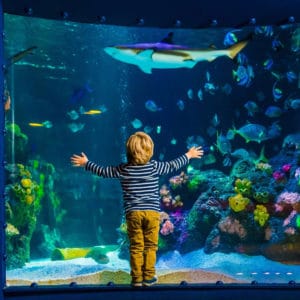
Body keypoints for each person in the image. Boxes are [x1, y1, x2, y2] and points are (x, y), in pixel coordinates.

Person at [70, 131, 204, 287]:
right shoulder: (155, 166)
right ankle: (148, 277)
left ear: (129, 151)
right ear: (150, 151)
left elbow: (104, 172)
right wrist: (189, 154)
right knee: (151, 245)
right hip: (152, 213)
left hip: (133, 214)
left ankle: (137, 278)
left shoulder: (124, 169)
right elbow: (173, 165)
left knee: (136, 246)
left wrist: (86, 163)